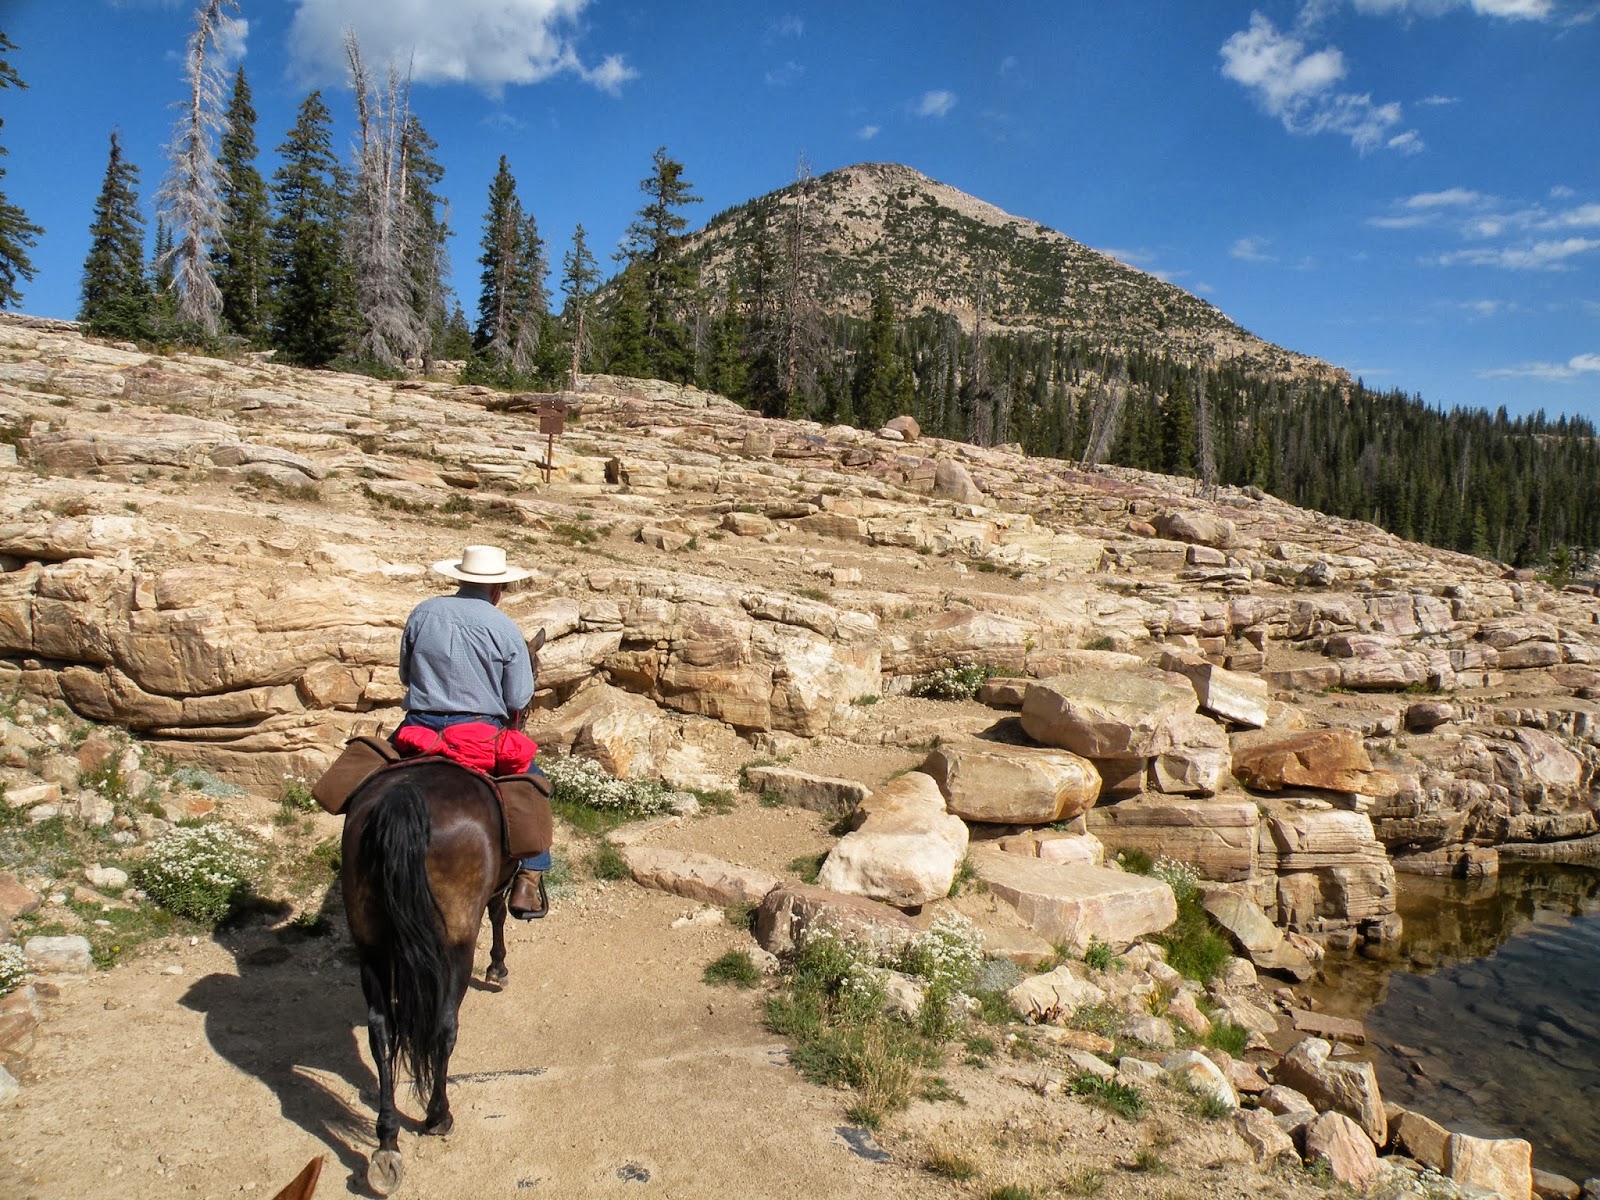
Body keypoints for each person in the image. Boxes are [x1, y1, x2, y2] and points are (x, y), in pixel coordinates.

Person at [394, 543, 550, 920]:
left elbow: (404, 674)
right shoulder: (504, 628)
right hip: (477, 736)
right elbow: (518, 696)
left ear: (459, 579)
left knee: (371, 769)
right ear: (498, 589)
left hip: (418, 728)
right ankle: (528, 881)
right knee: (536, 787)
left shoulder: (423, 612)